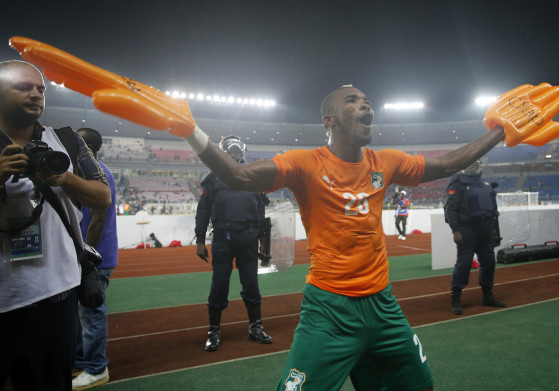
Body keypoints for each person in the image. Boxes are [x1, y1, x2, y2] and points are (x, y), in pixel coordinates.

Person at [189, 85, 512, 391]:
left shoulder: (386, 161)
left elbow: (446, 164)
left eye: (366, 100)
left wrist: (500, 129)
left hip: (383, 306)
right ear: (329, 120)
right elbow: (239, 175)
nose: (365, 103)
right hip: (329, 309)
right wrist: (189, 131)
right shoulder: (305, 163)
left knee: (419, 385)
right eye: (353, 100)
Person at [0, 61, 111, 391]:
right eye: (24, 86)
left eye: (41, 89)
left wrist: (63, 177)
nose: (36, 94)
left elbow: (102, 196)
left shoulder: (67, 139)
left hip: (56, 293)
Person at [194, 135, 272, 352]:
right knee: (219, 286)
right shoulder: (212, 179)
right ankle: (214, 330)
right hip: (223, 239)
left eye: (237, 151)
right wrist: (200, 240)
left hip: (248, 239)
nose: (234, 154)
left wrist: (264, 247)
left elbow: (262, 216)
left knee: (252, 286)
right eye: (231, 151)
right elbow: (203, 212)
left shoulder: (253, 177)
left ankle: (255, 326)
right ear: (223, 153)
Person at [73, 127, 118, 390]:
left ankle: (96, 367)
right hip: (89, 254)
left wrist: (85, 256)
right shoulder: (86, 174)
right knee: (82, 314)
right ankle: (81, 360)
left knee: (91, 313)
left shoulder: (98, 174)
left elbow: (97, 220)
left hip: (94, 257)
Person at [444, 160, 505, 316]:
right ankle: (455, 297)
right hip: (466, 228)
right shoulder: (457, 183)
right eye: (469, 162)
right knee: (464, 263)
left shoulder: (485, 183)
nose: (472, 165)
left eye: (474, 162)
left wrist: (494, 231)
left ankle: (487, 294)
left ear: (479, 164)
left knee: (489, 261)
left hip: (485, 228)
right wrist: (455, 230)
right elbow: (451, 208)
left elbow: (494, 210)